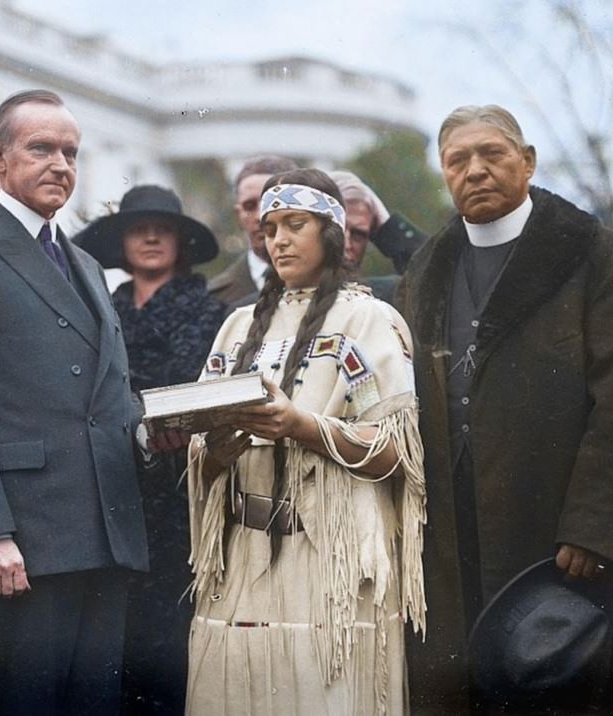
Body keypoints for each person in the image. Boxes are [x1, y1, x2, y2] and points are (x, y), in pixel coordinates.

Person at [396, 105, 613, 711]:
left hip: (553, 536)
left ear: (529, 162)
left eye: (493, 154)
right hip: (447, 535)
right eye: (458, 160)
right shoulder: (426, 268)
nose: (477, 171)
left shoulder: (593, 255)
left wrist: (593, 527)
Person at [0, 88, 149, 715]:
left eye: (70, 152)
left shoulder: (91, 268)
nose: (60, 164)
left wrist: (154, 435)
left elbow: (109, 399)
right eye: (41, 148)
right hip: (25, 543)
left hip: (106, 529)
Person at [185, 168, 427, 714]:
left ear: (334, 233)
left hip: (329, 560)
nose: (280, 239)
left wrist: (302, 427)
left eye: (296, 224)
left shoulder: (369, 321)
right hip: (244, 559)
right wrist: (219, 443)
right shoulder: (238, 327)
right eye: (270, 227)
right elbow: (202, 455)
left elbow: (396, 453)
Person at [80, 183, 224, 714]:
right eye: (138, 228)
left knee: (169, 634)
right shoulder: (98, 308)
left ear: (181, 242)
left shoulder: (208, 311)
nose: (150, 237)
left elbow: (195, 388)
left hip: (178, 490)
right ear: (121, 242)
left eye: (162, 228)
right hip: (108, 488)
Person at [207, 155, 298, 306]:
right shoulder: (213, 298)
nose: (260, 216)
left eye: (272, 203)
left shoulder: (337, 289)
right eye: (249, 206)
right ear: (238, 215)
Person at [328, 169, 428, 303]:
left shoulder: (383, 298)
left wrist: (387, 225)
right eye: (336, 229)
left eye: (358, 235)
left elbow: (439, 278)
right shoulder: (291, 295)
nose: (346, 244)